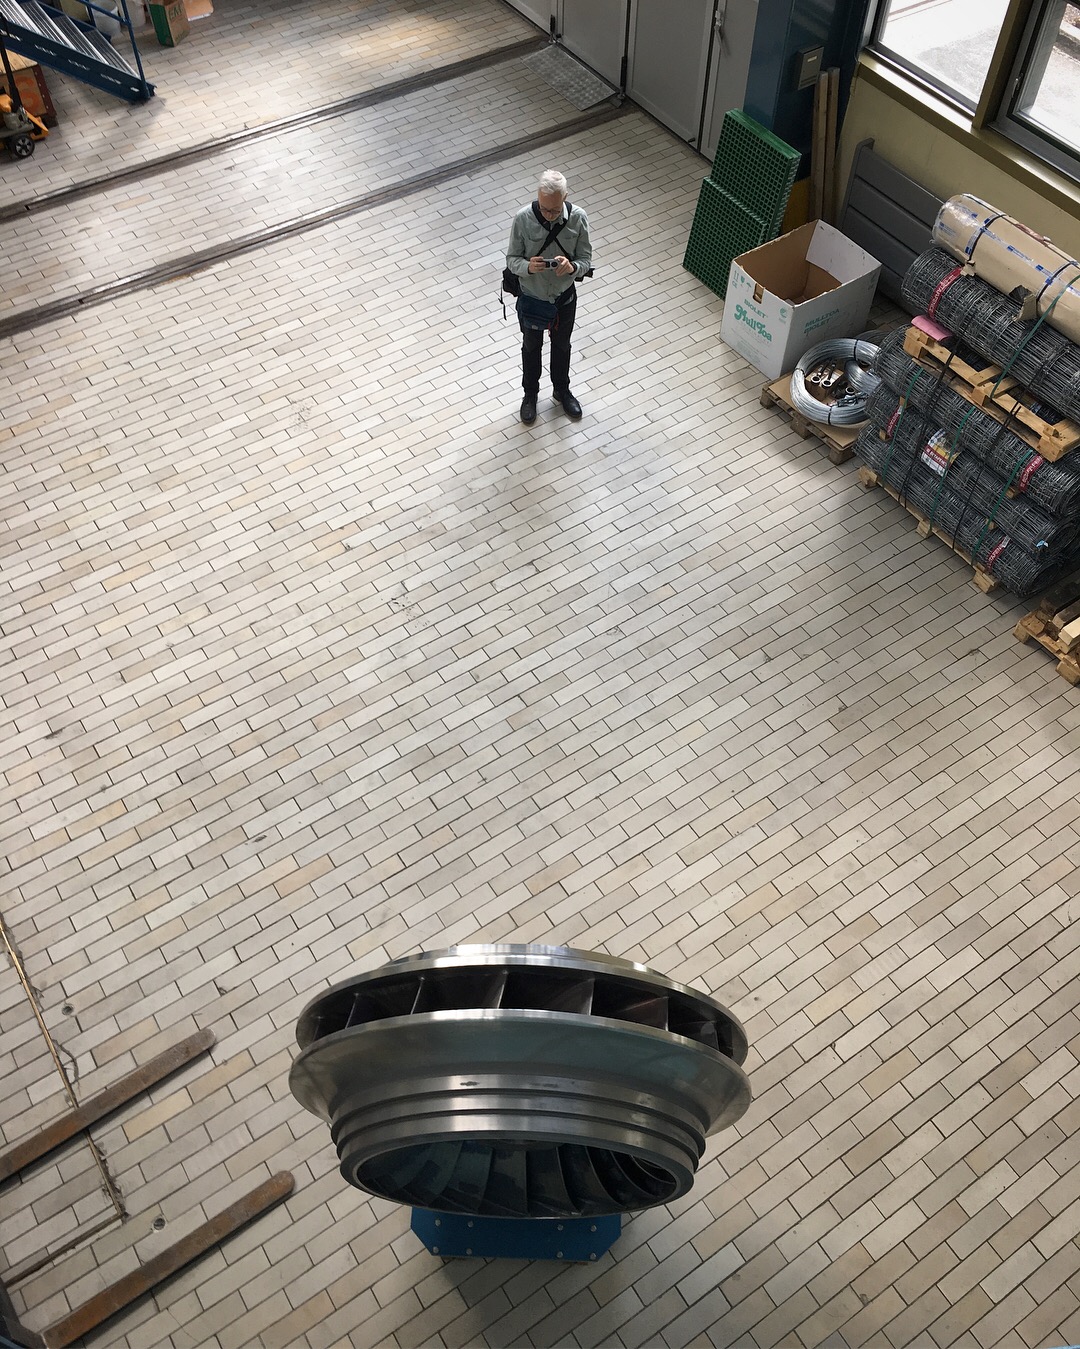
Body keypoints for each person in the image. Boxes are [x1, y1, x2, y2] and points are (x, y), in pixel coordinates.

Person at [505, 169, 593, 425]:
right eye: (544, 209)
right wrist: (528, 267)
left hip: (564, 298)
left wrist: (572, 267)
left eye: (554, 210)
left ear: (565, 197)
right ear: (538, 196)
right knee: (531, 347)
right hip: (532, 297)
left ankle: (562, 390)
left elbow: (585, 260)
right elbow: (512, 259)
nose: (549, 215)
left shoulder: (578, 218)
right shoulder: (523, 218)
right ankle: (530, 395)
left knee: (562, 345)